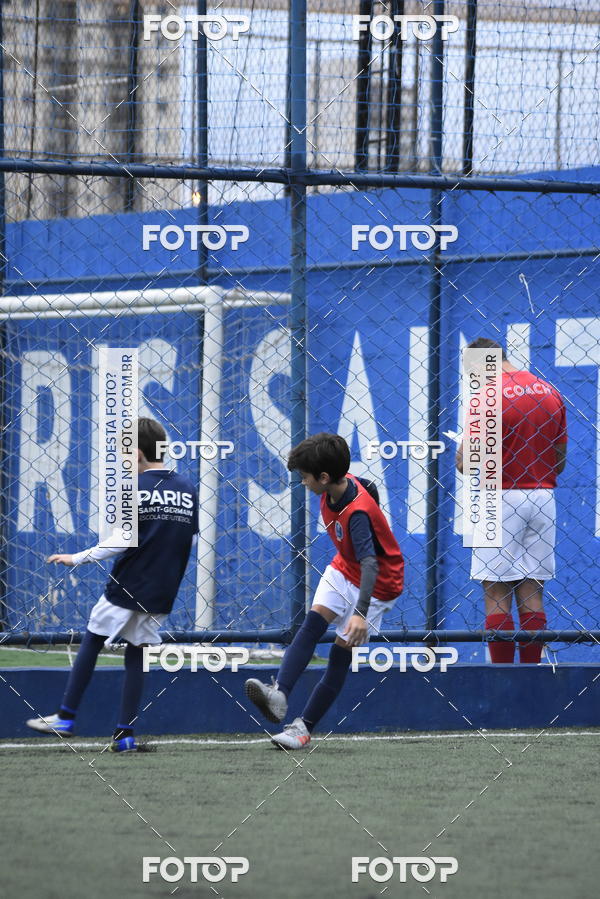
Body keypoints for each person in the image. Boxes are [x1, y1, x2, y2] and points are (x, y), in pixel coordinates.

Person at [26, 417, 198, 751]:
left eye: (125, 455)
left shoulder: (134, 488)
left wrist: (77, 557)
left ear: (136, 453)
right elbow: (189, 540)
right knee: (136, 654)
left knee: (92, 639)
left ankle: (65, 715)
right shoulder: (187, 488)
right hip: (163, 589)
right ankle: (124, 735)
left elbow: (121, 541)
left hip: (129, 583)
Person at [244, 432, 404, 749]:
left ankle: (303, 728)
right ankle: (279, 695)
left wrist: (360, 613)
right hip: (345, 567)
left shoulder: (356, 514)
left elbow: (371, 563)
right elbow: (368, 489)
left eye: (304, 477)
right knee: (313, 624)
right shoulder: (342, 485)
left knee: (339, 653)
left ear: (324, 477)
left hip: (378, 584)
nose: (302, 482)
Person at [456, 338, 567, 663]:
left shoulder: (486, 397)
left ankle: (501, 681)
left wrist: (462, 451)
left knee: (496, 590)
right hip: (543, 495)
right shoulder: (548, 391)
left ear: (479, 364)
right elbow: (558, 459)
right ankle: (530, 679)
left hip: (499, 497)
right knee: (532, 591)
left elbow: (467, 463)